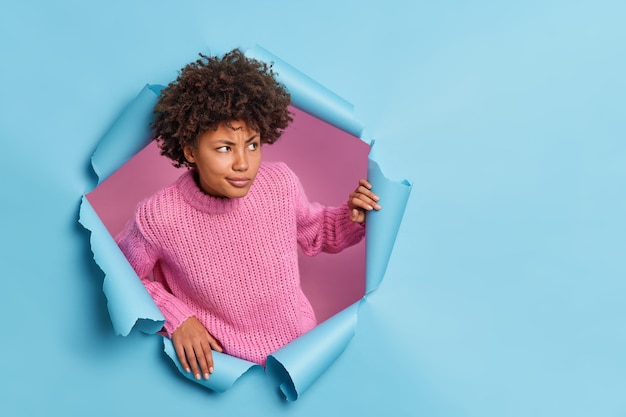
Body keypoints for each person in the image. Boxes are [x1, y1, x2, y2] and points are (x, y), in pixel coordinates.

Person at [116, 49, 381, 382]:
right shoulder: (158, 217)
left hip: (302, 357)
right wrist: (177, 319)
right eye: (225, 148)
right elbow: (123, 277)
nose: (243, 163)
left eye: (252, 145)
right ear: (190, 150)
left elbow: (319, 232)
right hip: (228, 372)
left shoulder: (279, 183)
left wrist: (352, 216)